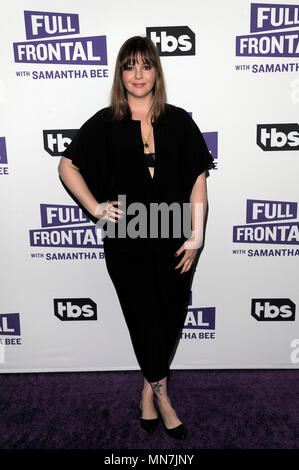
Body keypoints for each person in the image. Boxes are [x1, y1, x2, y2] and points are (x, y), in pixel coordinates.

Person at [58, 35, 214, 440]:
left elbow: (198, 182)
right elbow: (67, 167)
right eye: (130, 66)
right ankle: (163, 398)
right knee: (144, 319)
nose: (138, 74)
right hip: (126, 239)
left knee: (170, 318)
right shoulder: (105, 122)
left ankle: (148, 390)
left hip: (175, 236)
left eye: (146, 65)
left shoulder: (179, 120)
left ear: (156, 72)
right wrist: (95, 208)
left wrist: (196, 237)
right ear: (120, 73)